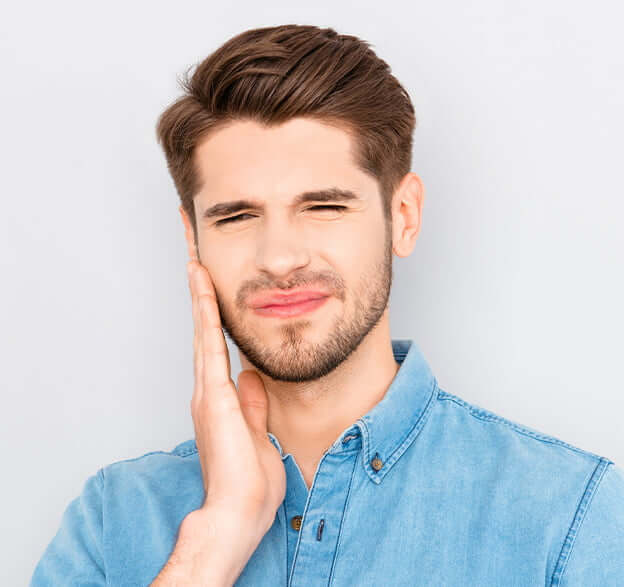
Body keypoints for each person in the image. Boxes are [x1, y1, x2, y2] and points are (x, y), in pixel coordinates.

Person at [30, 24, 624, 586]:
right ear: (193, 238)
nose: (281, 258)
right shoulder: (112, 521)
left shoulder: (571, 513)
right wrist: (215, 542)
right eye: (237, 216)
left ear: (404, 217)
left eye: (325, 207)